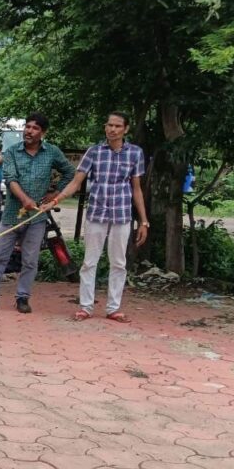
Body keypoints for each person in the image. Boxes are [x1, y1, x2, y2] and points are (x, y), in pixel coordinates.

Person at [42, 111, 150, 323]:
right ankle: (85, 307)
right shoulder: (94, 152)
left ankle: (113, 308)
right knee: (89, 262)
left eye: (118, 126)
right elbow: (76, 182)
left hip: (122, 214)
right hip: (96, 213)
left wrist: (144, 221)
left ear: (126, 129)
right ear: (105, 127)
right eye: (109, 125)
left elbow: (136, 189)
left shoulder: (135, 153)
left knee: (118, 262)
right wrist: (56, 200)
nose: (112, 129)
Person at [0, 113, 75, 314]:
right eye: (27, 127)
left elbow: (70, 172)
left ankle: (23, 298)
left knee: (30, 260)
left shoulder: (51, 152)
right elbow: (10, 179)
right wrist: (25, 200)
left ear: (43, 132)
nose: (29, 131)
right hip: (11, 216)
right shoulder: (12, 152)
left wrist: (55, 193)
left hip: (37, 217)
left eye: (35, 128)